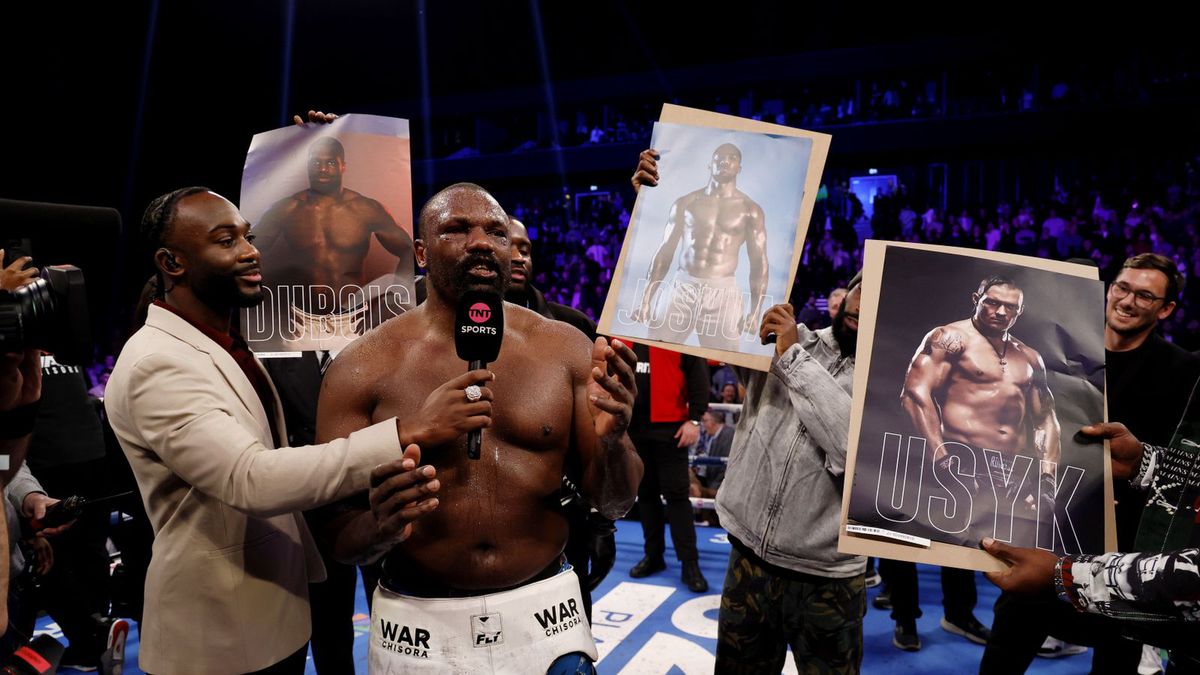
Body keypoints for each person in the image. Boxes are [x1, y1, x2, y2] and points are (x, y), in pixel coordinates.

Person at [314, 183, 642, 674]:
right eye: (457, 229)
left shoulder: (566, 349)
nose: (482, 241)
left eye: (495, 231)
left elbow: (614, 501)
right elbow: (336, 538)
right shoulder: (361, 367)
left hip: (547, 614)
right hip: (417, 624)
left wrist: (614, 442)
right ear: (421, 253)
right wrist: (377, 528)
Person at [103, 187, 424, 675]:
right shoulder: (156, 362)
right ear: (172, 262)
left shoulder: (223, 343)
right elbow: (251, 478)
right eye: (226, 240)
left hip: (268, 614)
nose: (252, 251)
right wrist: (400, 436)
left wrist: (311, 156)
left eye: (248, 236)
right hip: (220, 633)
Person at [635, 154, 866, 672]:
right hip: (748, 559)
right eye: (859, 287)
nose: (862, 300)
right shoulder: (786, 336)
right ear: (845, 292)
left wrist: (792, 358)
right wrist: (648, 200)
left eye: (878, 297)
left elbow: (853, 448)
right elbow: (669, 317)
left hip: (827, 575)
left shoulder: (890, 381)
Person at [980, 253, 1200, 673]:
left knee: (1115, 662)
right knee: (1002, 653)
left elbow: (1180, 465)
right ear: (1108, 288)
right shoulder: (1058, 347)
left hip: (1123, 549)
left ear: (1166, 308)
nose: (1128, 301)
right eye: (1122, 288)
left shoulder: (1184, 371)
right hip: (1044, 528)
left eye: (1145, 296)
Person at [982, 419, 1200, 669]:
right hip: (1093, 508)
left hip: (1140, 552)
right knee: (1017, 623)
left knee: (1119, 646)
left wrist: (1064, 575)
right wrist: (1146, 463)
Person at [900, 275, 1061, 545]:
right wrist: (942, 459)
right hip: (962, 459)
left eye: (1010, 307)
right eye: (992, 302)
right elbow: (914, 394)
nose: (1000, 312)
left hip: (1011, 468)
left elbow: (1045, 419)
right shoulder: (950, 338)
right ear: (976, 299)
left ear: (1020, 311)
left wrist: (1047, 479)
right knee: (952, 552)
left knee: (1013, 556)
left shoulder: (1030, 357)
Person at [252, 118, 415, 353]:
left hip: (354, 322)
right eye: (316, 162)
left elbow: (408, 249)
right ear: (307, 165)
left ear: (343, 166)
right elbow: (247, 253)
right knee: (297, 391)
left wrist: (391, 303)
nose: (323, 168)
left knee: (358, 389)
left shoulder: (365, 208)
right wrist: (271, 310)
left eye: (330, 162)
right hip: (300, 323)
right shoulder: (287, 208)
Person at [630, 146, 769, 351]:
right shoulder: (685, 203)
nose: (724, 161)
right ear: (709, 164)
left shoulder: (750, 210)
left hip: (723, 290)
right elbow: (664, 251)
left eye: (731, 158)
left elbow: (759, 263)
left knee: (729, 361)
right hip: (683, 285)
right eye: (719, 157)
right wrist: (645, 299)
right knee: (654, 353)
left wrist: (755, 312)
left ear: (739, 167)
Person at [626, 342, 710, 592]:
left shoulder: (677, 330)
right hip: (634, 426)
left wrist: (694, 418)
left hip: (671, 427)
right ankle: (654, 555)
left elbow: (698, 374)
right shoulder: (622, 328)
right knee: (646, 495)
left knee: (677, 496)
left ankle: (689, 563)